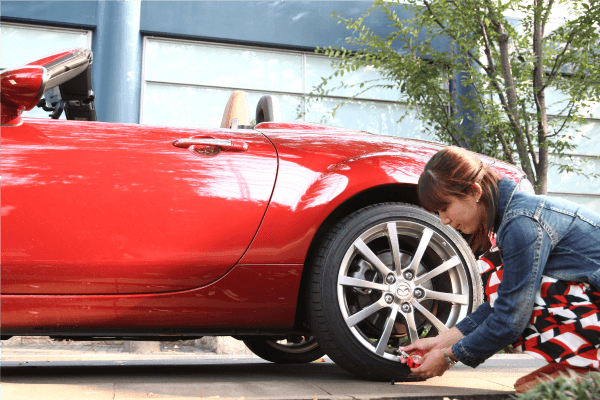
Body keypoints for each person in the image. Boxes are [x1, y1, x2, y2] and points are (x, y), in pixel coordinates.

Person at [399, 146, 600, 391]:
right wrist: (439, 343)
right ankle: (582, 368)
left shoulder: (522, 223)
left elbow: (510, 318)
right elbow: (502, 305)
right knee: (503, 282)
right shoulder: (514, 218)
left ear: (474, 192)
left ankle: (586, 368)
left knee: (506, 286)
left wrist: (449, 357)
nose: (444, 220)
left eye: (445, 207)